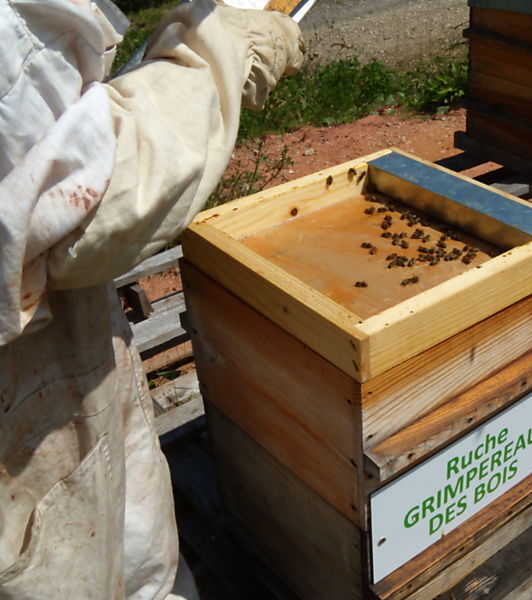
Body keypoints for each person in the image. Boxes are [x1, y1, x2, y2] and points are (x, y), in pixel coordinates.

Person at [0, 0, 304, 597]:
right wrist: (226, 51)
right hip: (25, 418)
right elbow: (81, 202)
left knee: (133, 546)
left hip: (53, 356)